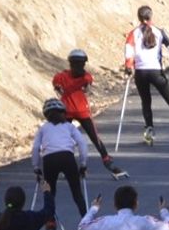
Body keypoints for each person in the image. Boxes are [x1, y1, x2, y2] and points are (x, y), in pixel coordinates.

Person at [123, 6, 169, 147]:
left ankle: (149, 130)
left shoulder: (133, 33)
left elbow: (129, 51)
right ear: (151, 17)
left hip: (140, 73)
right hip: (156, 72)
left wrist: (128, 66)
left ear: (139, 18)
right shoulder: (159, 32)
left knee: (146, 102)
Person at [54, 49, 127, 179]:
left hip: (68, 111)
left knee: (64, 139)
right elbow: (85, 85)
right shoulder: (85, 77)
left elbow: (59, 86)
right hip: (81, 111)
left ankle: (61, 164)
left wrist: (63, 88)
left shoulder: (62, 77)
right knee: (94, 137)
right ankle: (107, 160)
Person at [32, 98, 90, 230]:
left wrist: (36, 167)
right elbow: (82, 144)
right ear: (63, 113)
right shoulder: (69, 127)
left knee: (49, 194)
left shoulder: (43, 128)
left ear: (46, 114)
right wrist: (83, 164)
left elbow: (35, 148)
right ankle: (88, 225)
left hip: (49, 160)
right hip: (67, 157)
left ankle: (50, 226)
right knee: (77, 194)